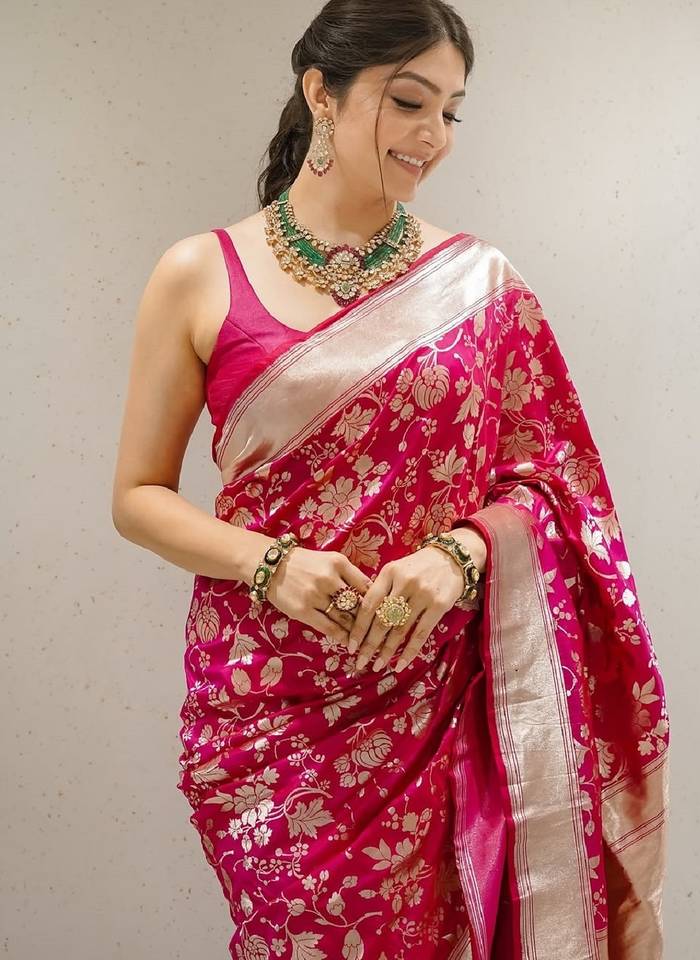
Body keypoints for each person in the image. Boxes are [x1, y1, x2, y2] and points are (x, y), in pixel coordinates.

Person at [111, 2, 670, 958]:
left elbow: (557, 484)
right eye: (410, 102)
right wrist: (271, 564)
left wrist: (461, 555)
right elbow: (137, 497)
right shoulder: (199, 273)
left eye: (451, 111)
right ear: (321, 93)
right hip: (271, 705)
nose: (433, 136)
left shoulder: (479, 286)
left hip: (443, 700)